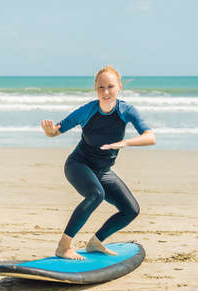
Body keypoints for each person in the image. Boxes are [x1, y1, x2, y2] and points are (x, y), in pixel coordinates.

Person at [40, 66, 156, 260]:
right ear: (96, 88)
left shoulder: (126, 110)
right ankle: (63, 246)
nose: (105, 92)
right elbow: (56, 131)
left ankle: (96, 242)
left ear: (119, 87)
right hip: (78, 164)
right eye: (101, 87)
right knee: (96, 194)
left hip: (103, 170)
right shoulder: (87, 110)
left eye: (110, 86)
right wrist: (49, 131)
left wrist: (125, 142)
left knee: (131, 210)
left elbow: (150, 137)